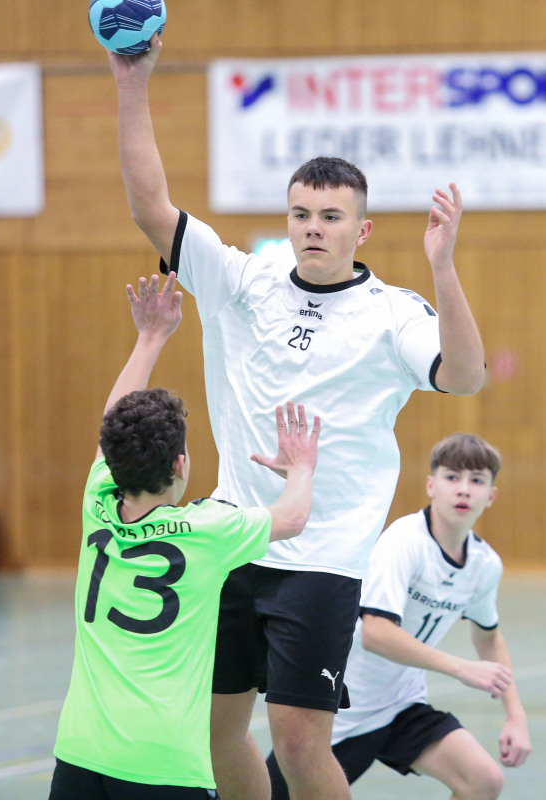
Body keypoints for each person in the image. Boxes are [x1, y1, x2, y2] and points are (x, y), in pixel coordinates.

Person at [107, 34, 487, 800]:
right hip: (234, 539)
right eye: (301, 213)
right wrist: (132, 80)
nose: (313, 227)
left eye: (331, 216)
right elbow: (151, 207)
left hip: (323, 557)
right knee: (214, 732)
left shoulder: (392, 314)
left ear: (361, 230)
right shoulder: (243, 283)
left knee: (299, 741)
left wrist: (444, 267)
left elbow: (464, 374)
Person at [49, 271, 321, 799]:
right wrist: (301, 468)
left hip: (80, 752)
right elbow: (291, 518)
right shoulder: (208, 530)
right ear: (179, 464)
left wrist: (149, 338)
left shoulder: (97, 501)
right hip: (164, 764)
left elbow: (110, 427)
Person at [265, 432, 531, 800]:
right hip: (342, 711)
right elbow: (376, 633)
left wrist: (515, 715)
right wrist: (461, 668)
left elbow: (489, 636)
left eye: (477, 480)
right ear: (431, 485)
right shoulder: (404, 541)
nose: (464, 489)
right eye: (452, 477)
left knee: (483, 780)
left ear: (491, 495)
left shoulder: (485, 564)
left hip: (402, 706)